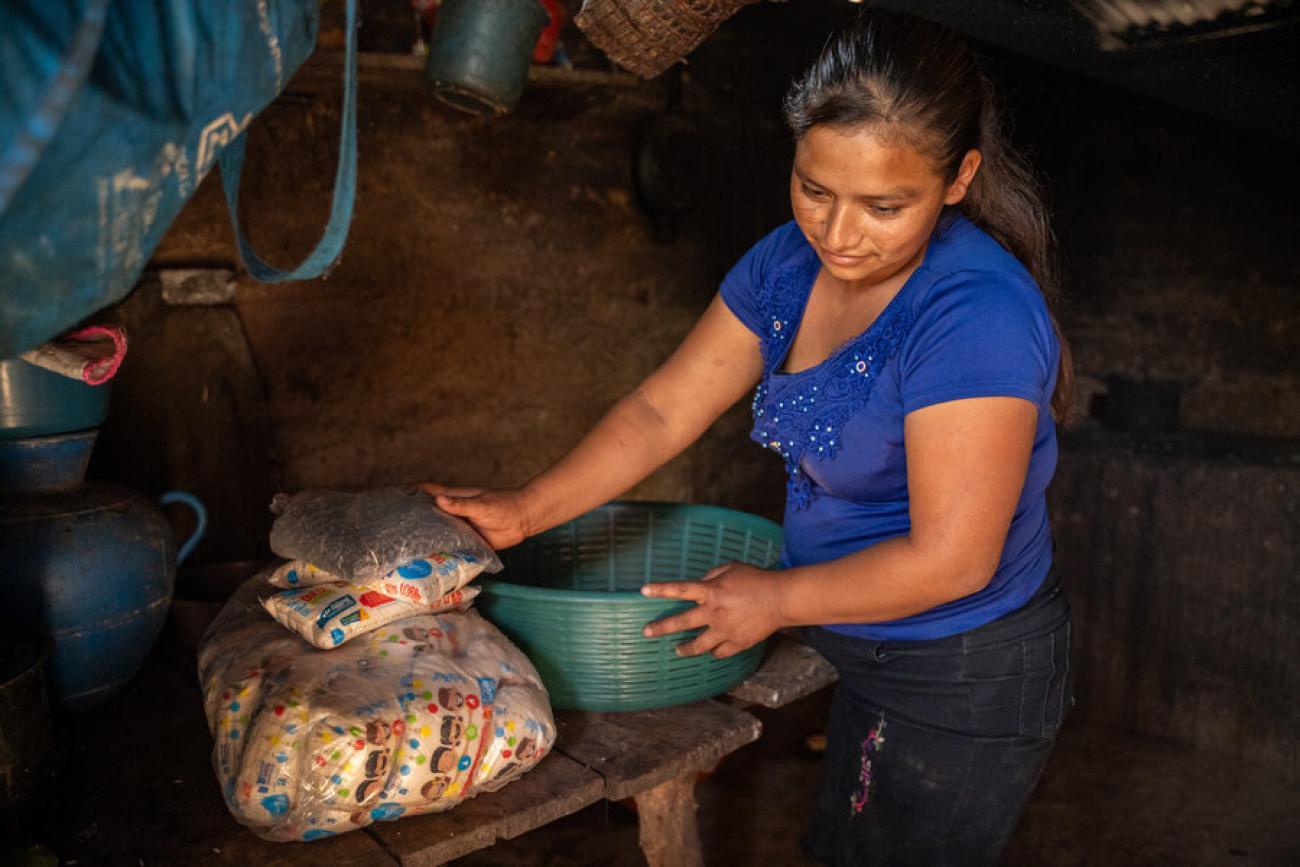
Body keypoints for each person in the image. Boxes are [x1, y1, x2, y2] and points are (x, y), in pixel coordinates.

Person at [422, 9, 1073, 866]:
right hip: (858, 632)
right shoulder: (785, 265)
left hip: (961, 668)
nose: (838, 235)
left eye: (884, 206)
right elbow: (665, 410)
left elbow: (953, 560)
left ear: (958, 180)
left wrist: (773, 598)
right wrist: (526, 509)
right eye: (815, 189)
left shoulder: (973, 314)